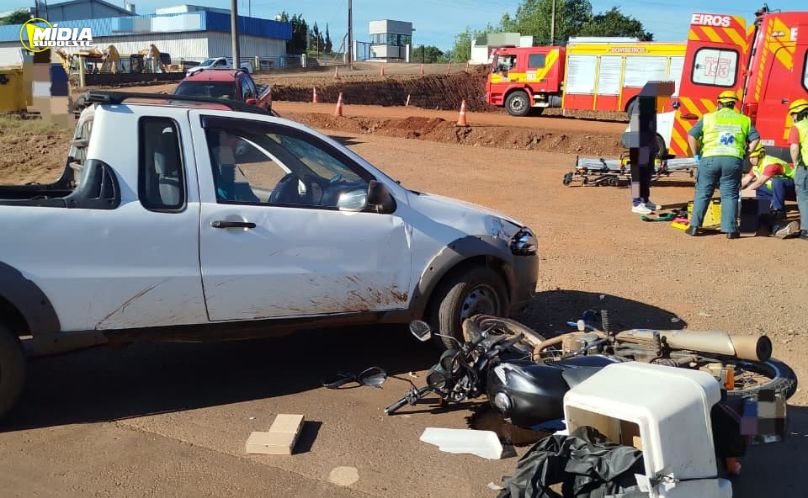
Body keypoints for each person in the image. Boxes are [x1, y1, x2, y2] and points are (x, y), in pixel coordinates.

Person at [686, 91, 760, 239]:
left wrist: (696, 154)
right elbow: (756, 138)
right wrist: (747, 151)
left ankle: (694, 227)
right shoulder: (744, 120)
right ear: (733, 104)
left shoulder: (708, 117)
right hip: (733, 160)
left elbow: (691, 134)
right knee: (730, 195)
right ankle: (731, 230)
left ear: (719, 103)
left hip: (710, 158)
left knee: (703, 192)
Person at [740, 143, 798, 238]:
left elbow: (760, 181)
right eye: (749, 157)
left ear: (761, 154)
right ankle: (765, 225)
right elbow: (745, 180)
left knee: (776, 182)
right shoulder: (756, 166)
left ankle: (778, 212)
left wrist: (743, 192)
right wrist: (732, 190)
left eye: (752, 157)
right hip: (777, 190)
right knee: (756, 191)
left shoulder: (770, 163)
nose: (750, 159)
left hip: (795, 188)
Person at [788, 98, 808, 240]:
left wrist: (795, 164)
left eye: (792, 114)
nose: (792, 117)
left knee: (803, 198)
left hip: (805, 167)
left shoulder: (797, 127)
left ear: (798, 113)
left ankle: (806, 229)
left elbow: (794, 148)